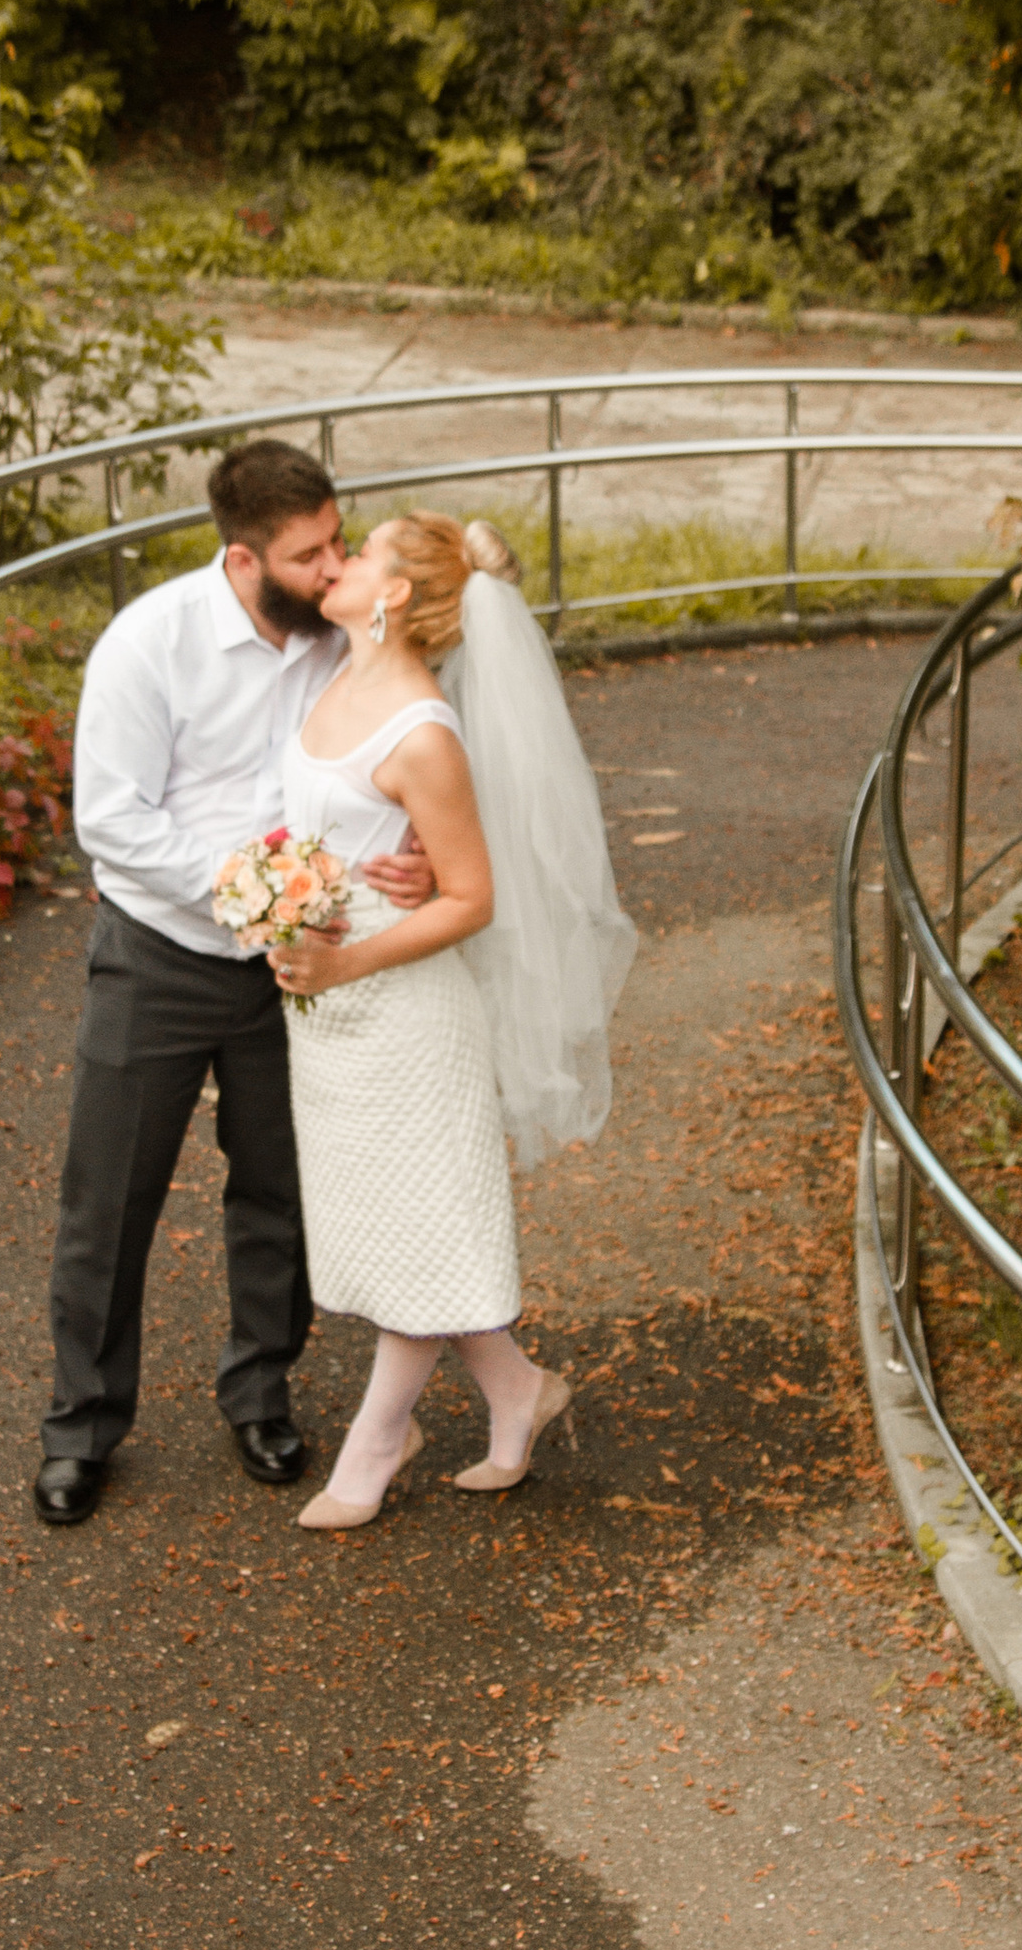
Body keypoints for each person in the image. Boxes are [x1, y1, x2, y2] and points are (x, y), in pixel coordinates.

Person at [35, 439, 431, 1530]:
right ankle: (81, 1428)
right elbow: (110, 822)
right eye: (310, 553)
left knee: (278, 1193)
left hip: (294, 969)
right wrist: (248, 888)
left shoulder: (341, 638)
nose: (333, 566)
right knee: (107, 1202)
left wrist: (418, 855)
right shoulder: (147, 645)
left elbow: (409, 756)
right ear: (244, 558)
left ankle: (260, 1393)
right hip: (155, 959)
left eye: (339, 541)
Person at [271, 512, 636, 1534]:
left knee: (426, 1224)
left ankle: (377, 1442)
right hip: (329, 1008)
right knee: (394, 1222)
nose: (336, 563)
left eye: (359, 553)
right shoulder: (336, 679)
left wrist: (343, 953)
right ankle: (515, 1389)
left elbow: (471, 898)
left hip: (405, 1008)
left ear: (392, 595)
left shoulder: (423, 730)